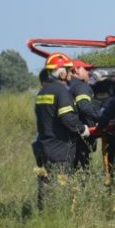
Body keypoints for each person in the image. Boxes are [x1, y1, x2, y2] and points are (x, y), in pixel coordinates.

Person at [32, 53, 90, 210]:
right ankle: (60, 213)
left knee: (45, 185)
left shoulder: (42, 92)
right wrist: (83, 129)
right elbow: (67, 118)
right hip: (60, 150)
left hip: (43, 147)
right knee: (61, 185)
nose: (70, 73)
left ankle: (44, 214)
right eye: (68, 70)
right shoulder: (61, 92)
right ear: (61, 72)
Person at [69, 59, 99, 169]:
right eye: (86, 69)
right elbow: (85, 107)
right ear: (76, 70)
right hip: (80, 138)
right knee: (81, 170)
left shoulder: (66, 86)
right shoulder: (80, 86)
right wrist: (101, 119)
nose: (88, 72)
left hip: (64, 138)